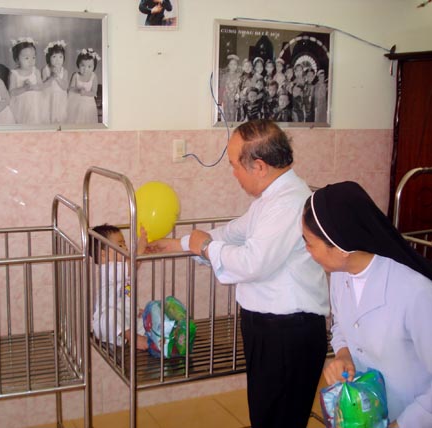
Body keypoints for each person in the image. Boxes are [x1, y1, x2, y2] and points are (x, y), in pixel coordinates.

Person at [148, 119, 329, 428]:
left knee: (279, 419)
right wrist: (176, 244)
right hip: (268, 326)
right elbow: (232, 233)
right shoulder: (270, 199)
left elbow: (251, 263)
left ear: (259, 166)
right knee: (265, 414)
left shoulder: (289, 203)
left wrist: (205, 247)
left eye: (234, 165)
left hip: (288, 331)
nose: (233, 173)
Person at [302, 181, 432, 428]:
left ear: (340, 248)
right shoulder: (341, 273)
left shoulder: (416, 293)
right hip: (367, 413)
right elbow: (341, 325)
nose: (306, 250)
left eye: (309, 242)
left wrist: (401, 425)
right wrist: (343, 354)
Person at [90, 225, 149, 350]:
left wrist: (136, 310)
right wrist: (141, 247)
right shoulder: (108, 269)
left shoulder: (120, 270)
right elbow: (134, 265)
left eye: (125, 244)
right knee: (110, 315)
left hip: (124, 322)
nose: (126, 248)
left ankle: (159, 338)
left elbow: (124, 296)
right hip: (107, 326)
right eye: (121, 245)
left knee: (146, 319)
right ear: (103, 254)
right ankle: (135, 339)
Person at [9, 37, 46, 124]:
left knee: (36, 121)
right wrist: (24, 88)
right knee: (23, 122)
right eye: (26, 58)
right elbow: (11, 92)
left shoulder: (35, 71)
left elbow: (41, 86)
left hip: (35, 104)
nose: (31, 61)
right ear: (17, 60)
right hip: (21, 105)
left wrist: (32, 87)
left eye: (33, 57)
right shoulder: (14, 74)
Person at [67, 48, 100, 124]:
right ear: (78, 64)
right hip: (76, 102)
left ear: (94, 67)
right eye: (83, 66)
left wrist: (85, 93)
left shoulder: (93, 76)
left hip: (88, 104)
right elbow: (70, 88)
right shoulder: (75, 75)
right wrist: (77, 90)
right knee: (76, 120)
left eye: (89, 66)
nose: (85, 69)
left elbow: (94, 92)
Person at [42, 40, 69, 124]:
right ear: (48, 58)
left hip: (60, 98)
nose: (58, 60)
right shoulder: (45, 69)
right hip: (48, 97)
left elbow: (65, 87)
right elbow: (43, 86)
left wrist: (57, 77)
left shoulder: (64, 71)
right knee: (48, 117)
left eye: (60, 57)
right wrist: (52, 77)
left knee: (60, 118)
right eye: (54, 57)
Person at [219, 54, 242, 123]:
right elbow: (221, 88)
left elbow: (240, 87)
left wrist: (238, 95)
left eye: (235, 64)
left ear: (237, 66)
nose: (233, 66)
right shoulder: (224, 76)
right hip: (226, 99)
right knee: (226, 116)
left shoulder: (239, 76)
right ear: (228, 65)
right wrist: (220, 101)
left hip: (234, 99)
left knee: (233, 116)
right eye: (231, 64)